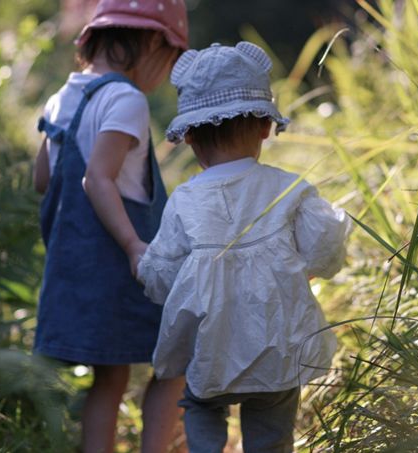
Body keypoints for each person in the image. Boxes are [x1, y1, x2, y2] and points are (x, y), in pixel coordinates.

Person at [136, 42, 352, 453]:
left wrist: (145, 270)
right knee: (271, 425)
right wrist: (302, 266)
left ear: (191, 137)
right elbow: (325, 243)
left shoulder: (185, 199)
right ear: (265, 126)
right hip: (275, 342)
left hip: (211, 346)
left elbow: (163, 276)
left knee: (201, 403)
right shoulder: (287, 189)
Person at [31, 1, 188, 452]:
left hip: (74, 266)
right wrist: (134, 243)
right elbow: (96, 177)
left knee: (109, 373)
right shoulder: (126, 99)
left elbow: (43, 179)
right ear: (154, 42)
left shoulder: (62, 96)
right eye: (171, 59)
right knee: (177, 357)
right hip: (123, 265)